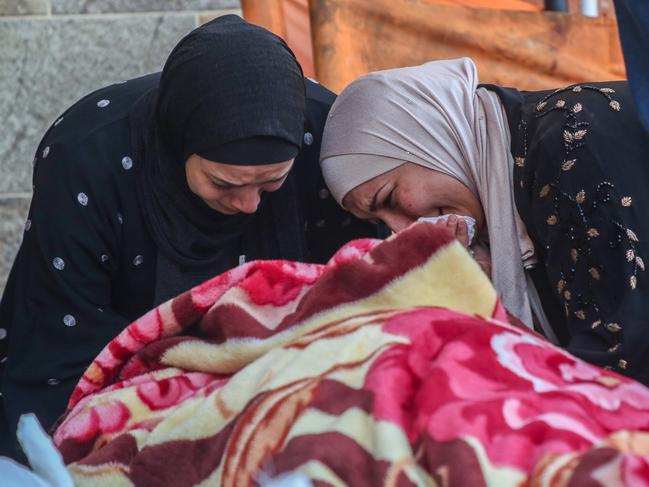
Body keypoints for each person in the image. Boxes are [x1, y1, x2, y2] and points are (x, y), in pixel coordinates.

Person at [0, 15, 379, 458]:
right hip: (118, 385)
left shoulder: (319, 139)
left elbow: (360, 304)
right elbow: (60, 342)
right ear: (180, 144)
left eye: (271, 183)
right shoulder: (90, 158)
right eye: (224, 184)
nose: (250, 205)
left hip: (287, 383)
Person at [319, 57, 649, 386]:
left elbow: (617, 364)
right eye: (380, 221)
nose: (403, 229)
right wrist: (479, 294)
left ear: (430, 141)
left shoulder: (567, 146)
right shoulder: (502, 201)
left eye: (389, 198)